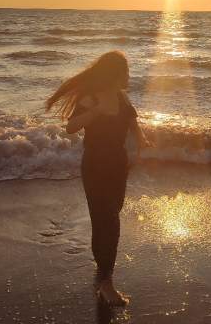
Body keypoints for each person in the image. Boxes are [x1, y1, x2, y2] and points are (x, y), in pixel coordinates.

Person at [45, 50, 153, 306]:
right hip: (95, 166)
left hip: (118, 164)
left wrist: (142, 139)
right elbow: (71, 127)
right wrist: (97, 112)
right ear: (117, 73)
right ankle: (106, 283)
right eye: (126, 70)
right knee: (107, 221)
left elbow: (132, 123)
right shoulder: (90, 98)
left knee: (112, 213)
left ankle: (102, 265)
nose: (129, 75)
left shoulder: (122, 97)